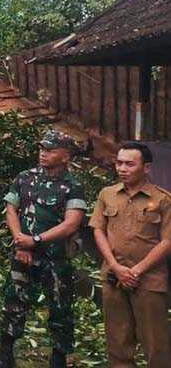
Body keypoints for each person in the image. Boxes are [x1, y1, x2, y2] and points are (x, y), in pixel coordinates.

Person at [0, 130, 86, 368]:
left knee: (60, 307)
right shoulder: (24, 177)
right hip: (23, 254)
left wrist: (35, 240)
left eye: (50, 150)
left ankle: (58, 355)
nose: (43, 154)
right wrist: (20, 240)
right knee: (13, 302)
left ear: (66, 156)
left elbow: (71, 223)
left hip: (56, 258)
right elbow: (11, 209)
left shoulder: (73, 186)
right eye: (42, 149)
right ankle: (5, 353)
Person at [90, 142, 171, 368]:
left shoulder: (163, 200)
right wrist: (115, 267)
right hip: (114, 278)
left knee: (155, 341)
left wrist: (137, 270)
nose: (122, 168)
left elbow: (167, 241)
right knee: (117, 340)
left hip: (149, 280)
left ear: (146, 168)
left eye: (129, 164)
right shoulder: (107, 194)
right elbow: (98, 230)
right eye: (119, 163)